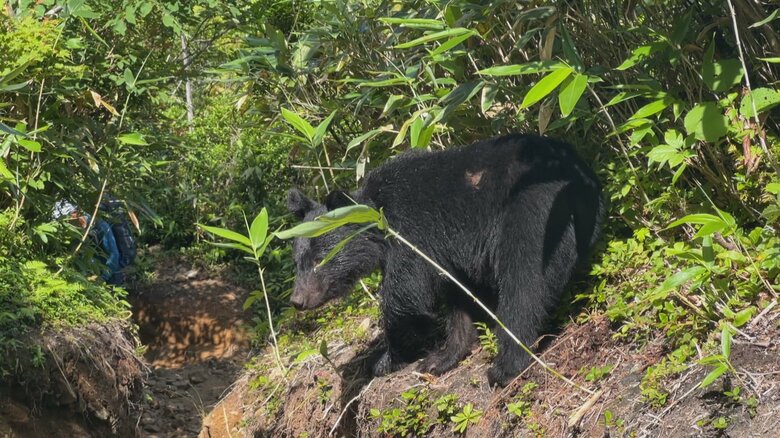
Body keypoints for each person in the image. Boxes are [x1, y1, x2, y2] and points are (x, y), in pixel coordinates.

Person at [54, 200, 124, 284]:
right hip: (87, 273)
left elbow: (114, 254)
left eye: (71, 218)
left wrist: (102, 278)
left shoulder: (99, 226)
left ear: (77, 212)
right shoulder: (69, 230)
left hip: (109, 271)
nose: (69, 222)